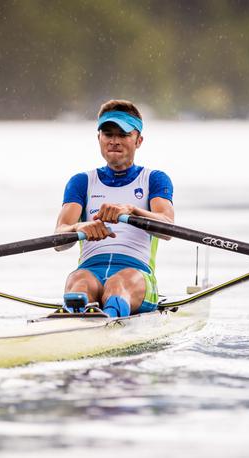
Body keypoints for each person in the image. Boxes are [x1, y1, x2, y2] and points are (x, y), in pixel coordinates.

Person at [54, 99, 174, 317]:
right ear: (98, 138)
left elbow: (167, 229)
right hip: (91, 269)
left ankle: (106, 320)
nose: (114, 141)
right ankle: (77, 318)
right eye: (108, 134)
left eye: (123, 135)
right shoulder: (81, 182)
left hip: (136, 274)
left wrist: (132, 211)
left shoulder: (154, 180)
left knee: (118, 284)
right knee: (79, 282)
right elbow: (58, 240)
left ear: (139, 140)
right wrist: (80, 227)